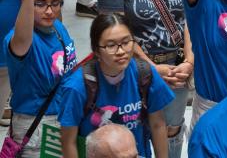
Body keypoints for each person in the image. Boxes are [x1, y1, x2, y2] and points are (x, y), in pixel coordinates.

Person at [95, 0, 192, 158]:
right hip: (135, 69)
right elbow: (114, 32)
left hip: (177, 66)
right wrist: (150, 67)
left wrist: (190, 61)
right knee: (137, 131)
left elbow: (191, 15)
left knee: (171, 128)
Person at [58, 14, 174, 158]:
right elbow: (68, 141)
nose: (121, 52)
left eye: (126, 42)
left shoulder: (145, 74)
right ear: (96, 50)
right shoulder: (77, 87)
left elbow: (158, 124)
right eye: (111, 45)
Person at [4, 0, 76, 158]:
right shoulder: (21, 39)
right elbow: (22, 38)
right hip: (38, 127)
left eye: (55, 3)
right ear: (26, 3)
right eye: (40, 4)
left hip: (66, 120)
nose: (49, 11)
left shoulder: (59, 28)